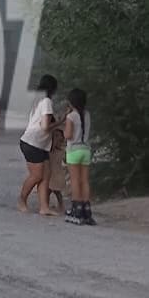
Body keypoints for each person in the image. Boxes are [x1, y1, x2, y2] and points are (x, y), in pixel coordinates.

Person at [18, 74, 60, 217]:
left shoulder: (39, 101)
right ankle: (22, 200)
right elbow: (45, 127)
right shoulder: (46, 101)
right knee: (37, 176)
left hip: (40, 144)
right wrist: (61, 122)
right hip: (33, 142)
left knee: (45, 176)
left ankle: (44, 207)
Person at [64, 88, 94, 226]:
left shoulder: (71, 116)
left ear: (71, 102)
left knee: (75, 181)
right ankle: (87, 209)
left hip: (74, 150)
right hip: (86, 149)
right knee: (84, 180)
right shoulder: (87, 114)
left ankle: (76, 209)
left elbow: (68, 135)